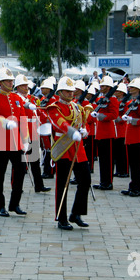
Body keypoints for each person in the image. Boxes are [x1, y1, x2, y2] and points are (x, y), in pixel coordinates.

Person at [46, 76, 91, 230]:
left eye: (72, 91)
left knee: (85, 181)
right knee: (63, 184)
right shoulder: (54, 107)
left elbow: (83, 123)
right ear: (60, 92)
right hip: (64, 147)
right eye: (67, 91)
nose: (71, 93)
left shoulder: (77, 107)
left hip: (78, 149)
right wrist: (72, 132)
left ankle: (76, 213)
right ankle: (61, 217)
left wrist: (85, 131)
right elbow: (59, 123)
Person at [0, 67, 28, 217]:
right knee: (0, 175)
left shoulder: (17, 99)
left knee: (21, 171)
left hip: (16, 142)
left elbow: (23, 119)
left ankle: (15, 203)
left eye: (11, 81)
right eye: (8, 81)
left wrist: (26, 138)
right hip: (0, 142)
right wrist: (4, 122)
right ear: (1, 82)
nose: (11, 83)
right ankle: (0, 205)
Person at [14, 74, 51, 193]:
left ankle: (39, 185)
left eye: (27, 86)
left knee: (34, 161)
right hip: (23, 131)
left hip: (33, 130)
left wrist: (47, 118)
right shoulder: (16, 99)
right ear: (18, 87)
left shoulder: (33, 98)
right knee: (20, 163)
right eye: (24, 86)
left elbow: (38, 112)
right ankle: (17, 187)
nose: (26, 88)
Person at [120, 78, 140, 197]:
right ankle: (132, 186)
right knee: (132, 164)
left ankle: (139, 188)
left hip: (138, 136)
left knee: (138, 164)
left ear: (137, 89)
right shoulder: (130, 103)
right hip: (131, 136)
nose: (129, 89)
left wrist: (132, 120)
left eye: (132, 87)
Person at [91, 76, 119, 190]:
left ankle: (108, 182)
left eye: (104, 86)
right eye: (101, 86)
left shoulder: (113, 99)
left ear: (109, 87)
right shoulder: (100, 99)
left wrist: (101, 116)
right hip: (100, 132)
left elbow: (114, 114)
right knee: (102, 160)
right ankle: (103, 181)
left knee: (108, 159)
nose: (101, 88)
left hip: (109, 132)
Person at [113, 83, 130, 178]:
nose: (116, 92)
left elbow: (126, 115)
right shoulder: (117, 102)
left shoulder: (126, 103)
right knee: (117, 153)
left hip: (123, 129)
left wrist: (120, 118)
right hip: (116, 130)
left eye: (118, 91)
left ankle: (125, 170)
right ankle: (119, 170)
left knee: (123, 153)